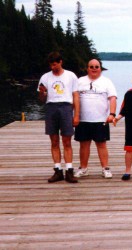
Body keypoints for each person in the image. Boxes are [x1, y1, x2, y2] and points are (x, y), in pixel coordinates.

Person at [38, 51, 80, 183]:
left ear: (61, 62)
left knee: (67, 141)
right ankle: (57, 171)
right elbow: (41, 99)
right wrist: (42, 93)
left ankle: (69, 171)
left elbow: (76, 96)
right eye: (51, 65)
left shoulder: (71, 76)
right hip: (51, 108)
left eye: (55, 64)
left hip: (66, 107)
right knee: (54, 141)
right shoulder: (45, 77)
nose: (53, 67)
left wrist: (76, 115)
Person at [73, 59, 117, 179]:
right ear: (87, 68)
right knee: (84, 145)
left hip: (101, 119)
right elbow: (73, 98)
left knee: (101, 145)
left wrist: (112, 114)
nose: (94, 69)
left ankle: (105, 168)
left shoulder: (107, 82)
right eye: (91, 66)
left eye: (96, 66)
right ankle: (83, 168)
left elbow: (112, 98)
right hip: (82, 119)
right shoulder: (79, 81)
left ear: (100, 68)